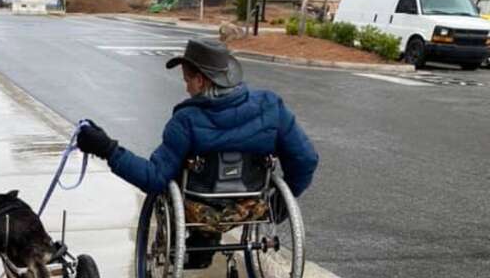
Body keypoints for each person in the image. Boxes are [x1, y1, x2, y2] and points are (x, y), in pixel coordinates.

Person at [76, 37, 319, 200]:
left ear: (200, 81)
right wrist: (277, 206)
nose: (186, 88)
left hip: (200, 208)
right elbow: (306, 159)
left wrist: (108, 149)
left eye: (187, 80)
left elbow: (155, 179)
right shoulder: (271, 106)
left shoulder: (186, 121)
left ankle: (200, 244)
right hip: (252, 204)